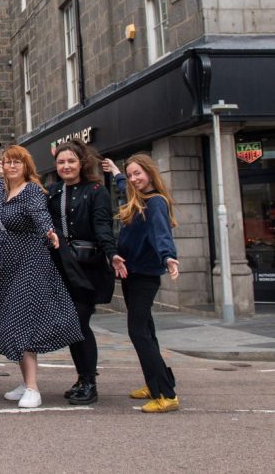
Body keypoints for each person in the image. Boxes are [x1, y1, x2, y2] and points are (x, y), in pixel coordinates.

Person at [0, 145, 83, 408]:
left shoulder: (32, 191)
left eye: (17, 162)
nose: (12, 166)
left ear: (26, 166)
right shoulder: (1, 190)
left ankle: (33, 388)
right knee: (10, 322)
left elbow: (41, 215)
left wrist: (49, 232)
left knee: (20, 324)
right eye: (8, 162)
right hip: (4, 266)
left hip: (29, 265)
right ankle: (25, 382)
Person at [103, 154, 181, 413]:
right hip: (132, 273)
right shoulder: (139, 198)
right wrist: (116, 172)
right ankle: (156, 382)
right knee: (146, 330)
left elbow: (161, 232)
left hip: (145, 276)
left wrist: (169, 256)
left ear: (150, 173)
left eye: (139, 173)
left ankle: (167, 395)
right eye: (131, 174)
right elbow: (124, 183)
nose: (135, 179)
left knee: (138, 331)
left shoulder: (155, 202)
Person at [47, 141, 121, 405]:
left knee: (79, 323)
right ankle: (82, 378)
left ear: (81, 163)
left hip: (88, 269)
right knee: (72, 325)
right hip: (63, 267)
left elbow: (103, 227)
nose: (66, 166)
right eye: (61, 162)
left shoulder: (97, 191)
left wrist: (112, 254)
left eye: (71, 161)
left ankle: (89, 381)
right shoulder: (54, 191)